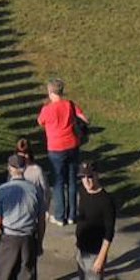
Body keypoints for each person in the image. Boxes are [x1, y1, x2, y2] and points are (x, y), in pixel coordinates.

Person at [35, 78, 86, 227]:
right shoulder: (69, 105)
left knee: (58, 183)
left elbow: (40, 121)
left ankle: (59, 215)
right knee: (71, 180)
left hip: (56, 148)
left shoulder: (47, 109)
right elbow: (84, 118)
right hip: (72, 145)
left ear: (50, 92)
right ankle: (72, 215)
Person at [0, 153, 45, 280]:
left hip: (8, 241)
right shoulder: (35, 191)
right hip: (28, 241)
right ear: (24, 168)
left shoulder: (2, 190)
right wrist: (39, 243)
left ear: (10, 169)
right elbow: (41, 221)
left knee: (2, 275)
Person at [74, 163, 118, 278]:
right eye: (82, 177)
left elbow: (109, 233)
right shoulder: (82, 192)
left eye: (89, 176)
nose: (86, 180)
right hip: (81, 250)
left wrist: (101, 258)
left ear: (96, 175)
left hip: (95, 254)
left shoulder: (106, 201)